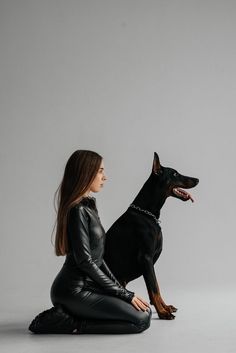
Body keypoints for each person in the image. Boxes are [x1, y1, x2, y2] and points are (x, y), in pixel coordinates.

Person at [28, 150, 152, 334]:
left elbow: (99, 259)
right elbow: (85, 261)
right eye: (100, 171)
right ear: (86, 173)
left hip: (90, 286)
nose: (105, 177)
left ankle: (71, 317)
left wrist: (122, 292)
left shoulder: (88, 207)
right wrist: (124, 294)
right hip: (73, 291)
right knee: (141, 320)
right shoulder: (77, 210)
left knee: (145, 313)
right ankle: (67, 322)